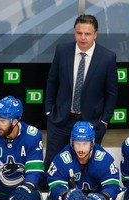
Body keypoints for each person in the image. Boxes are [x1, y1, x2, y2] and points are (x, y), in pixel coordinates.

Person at [44, 14, 118, 173]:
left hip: (92, 123)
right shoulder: (62, 51)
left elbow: (111, 92)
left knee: (87, 167)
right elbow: (52, 81)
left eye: (88, 34)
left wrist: (105, 120)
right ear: (74, 32)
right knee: (52, 163)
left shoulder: (107, 57)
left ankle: (84, 197)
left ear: (95, 34)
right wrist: (49, 110)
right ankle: (48, 194)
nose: (83, 37)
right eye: (79, 33)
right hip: (60, 120)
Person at [47, 121, 121, 200]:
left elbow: (112, 184)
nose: (81, 149)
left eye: (85, 144)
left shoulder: (104, 159)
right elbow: (55, 183)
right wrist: (66, 195)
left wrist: (103, 197)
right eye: (77, 143)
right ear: (72, 142)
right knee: (52, 199)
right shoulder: (62, 158)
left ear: (92, 143)